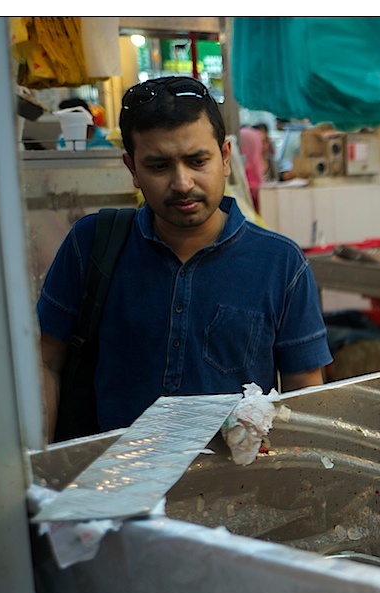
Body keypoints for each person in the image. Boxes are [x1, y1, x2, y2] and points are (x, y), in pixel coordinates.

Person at [36, 76, 332, 441]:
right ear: (133, 169)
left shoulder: (280, 263)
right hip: (114, 473)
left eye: (197, 161)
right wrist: (43, 460)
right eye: (159, 166)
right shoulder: (92, 243)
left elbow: (305, 395)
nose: (182, 183)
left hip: (236, 474)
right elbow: (46, 360)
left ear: (225, 157)